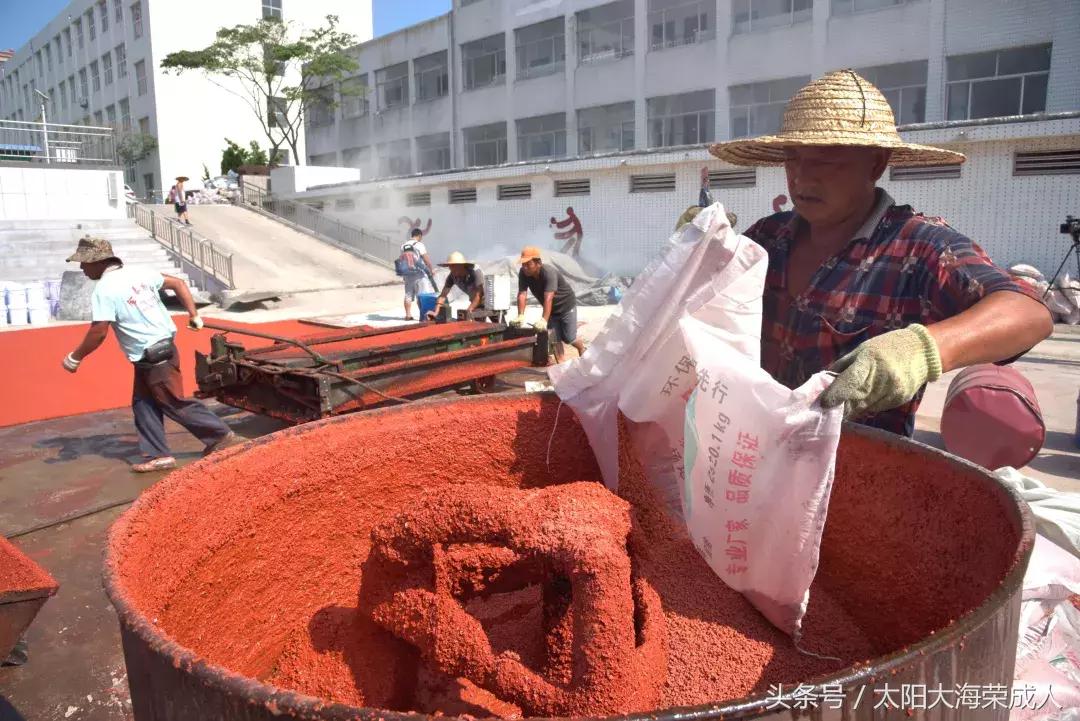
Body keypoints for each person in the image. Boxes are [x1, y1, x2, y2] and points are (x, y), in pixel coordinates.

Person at [705, 69, 1052, 437]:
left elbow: (1029, 314)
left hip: (859, 467)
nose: (802, 178)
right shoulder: (767, 237)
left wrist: (922, 348)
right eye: (793, 159)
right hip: (746, 446)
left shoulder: (919, 249)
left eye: (825, 160)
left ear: (875, 163)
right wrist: (699, 250)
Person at [61, 236, 239, 472]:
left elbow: (99, 331)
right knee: (143, 403)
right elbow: (178, 283)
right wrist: (194, 315)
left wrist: (75, 357)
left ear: (97, 261)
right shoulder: (140, 273)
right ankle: (158, 454)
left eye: (83, 263)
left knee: (174, 402)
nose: (81, 268)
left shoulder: (104, 290)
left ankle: (222, 437)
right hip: (157, 350)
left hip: (154, 357)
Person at [512, 246, 587, 363]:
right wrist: (520, 315)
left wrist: (543, 320)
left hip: (566, 306)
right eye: (523, 264)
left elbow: (548, 297)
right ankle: (561, 365)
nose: (525, 267)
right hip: (551, 309)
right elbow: (522, 294)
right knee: (554, 339)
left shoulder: (548, 272)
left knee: (569, 338)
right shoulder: (523, 273)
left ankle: (582, 348)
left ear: (538, 263)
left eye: (528, 264)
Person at [427, 251, 485, 320]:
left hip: (489, 302)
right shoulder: (452, 276)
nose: (451, 268)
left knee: (498, 323)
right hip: (475, 304)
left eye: (454, 265)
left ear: (461, 265)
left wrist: (467, 312)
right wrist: (436, 312)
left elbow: (479, 295)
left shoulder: (475, 272)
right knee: (478, 325)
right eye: (450, 266)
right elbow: (443, 296)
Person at [399, 227, 436, 321]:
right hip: (419, 274)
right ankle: (423, 315)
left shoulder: (403, 245)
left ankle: (408, 315)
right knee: (422, 295)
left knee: (408, 295)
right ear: (419, 236)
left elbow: (402, 260)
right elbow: (425, 258)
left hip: (407, 274)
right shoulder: (419, 245)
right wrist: (431, 269)